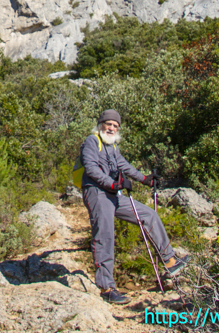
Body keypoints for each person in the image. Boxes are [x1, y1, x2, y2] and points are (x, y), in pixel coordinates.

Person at [79, 110, 189, 305]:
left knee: (149, 215)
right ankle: (107, 287)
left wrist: (145, 180)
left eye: (115, 125)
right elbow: (91, 168)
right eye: (108, 124)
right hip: (96, 193)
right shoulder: (91, 141)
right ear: (100, 124)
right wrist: (113, 184)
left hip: (113, 194)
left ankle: (170, 261)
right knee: (105, 235)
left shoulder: (113, 147)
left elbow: (125, 166)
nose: (112, 128)